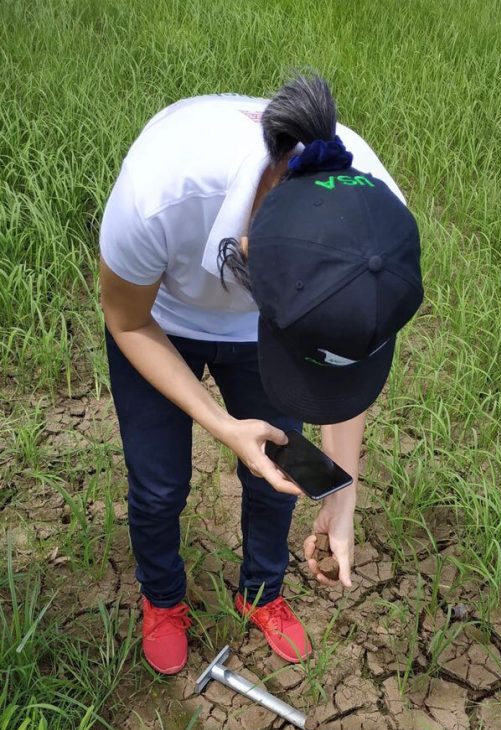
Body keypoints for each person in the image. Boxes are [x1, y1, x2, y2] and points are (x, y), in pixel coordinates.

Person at [99, 74, 423, 675]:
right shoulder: (160, 190)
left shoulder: (377, 219)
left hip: (268, 329)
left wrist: (343, 493)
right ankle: (162, 598)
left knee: (282, 473)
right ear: (244, 250)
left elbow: (344, 354)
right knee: (159, 485)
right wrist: (223, 425)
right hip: (158, 319)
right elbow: (126, 320)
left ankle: (262, 592)